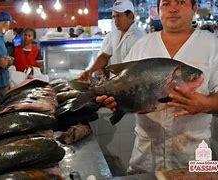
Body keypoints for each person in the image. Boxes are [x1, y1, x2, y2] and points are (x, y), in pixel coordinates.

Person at [96, 0, 218, 174]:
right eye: (166, 4)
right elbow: (121, 83)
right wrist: (114, 100)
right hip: (146, 155)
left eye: (181, 2)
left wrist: (206, 104)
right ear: (159, 10)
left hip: (194, 155)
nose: (173, 9)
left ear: (194, 8)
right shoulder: (142, 45)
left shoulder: (213, 45)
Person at [80, 0, 146, 80]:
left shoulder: (139, 37)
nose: (115, 20)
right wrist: (89, 72)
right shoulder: (115, 34)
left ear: (130, 16)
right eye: (114, 16)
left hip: (129, 85)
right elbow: (104, 56)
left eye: (119, 16)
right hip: (115, 84)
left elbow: (135, 69)